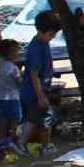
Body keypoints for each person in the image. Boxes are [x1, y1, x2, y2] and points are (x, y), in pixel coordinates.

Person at [22, 11, 59, 154]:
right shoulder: (36, 48)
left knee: (35, 119)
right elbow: (33, 74)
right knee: (45, 117)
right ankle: (44, 146)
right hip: (35, 91)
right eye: (50, 34)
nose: (52, 37)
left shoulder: (42, 42)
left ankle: (25, 144)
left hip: (36, 90)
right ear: (40, 31)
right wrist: (40, 96)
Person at [0, 39, 25, 154]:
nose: (18, 53)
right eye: (16, 51)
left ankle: (1, 139)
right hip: (12, 97)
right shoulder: (13, 68)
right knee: (15, 119)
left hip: (1, 97)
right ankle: (14, 138)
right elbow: (19, 82)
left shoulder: (0, 66)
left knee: (4, 118)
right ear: (10, 53)